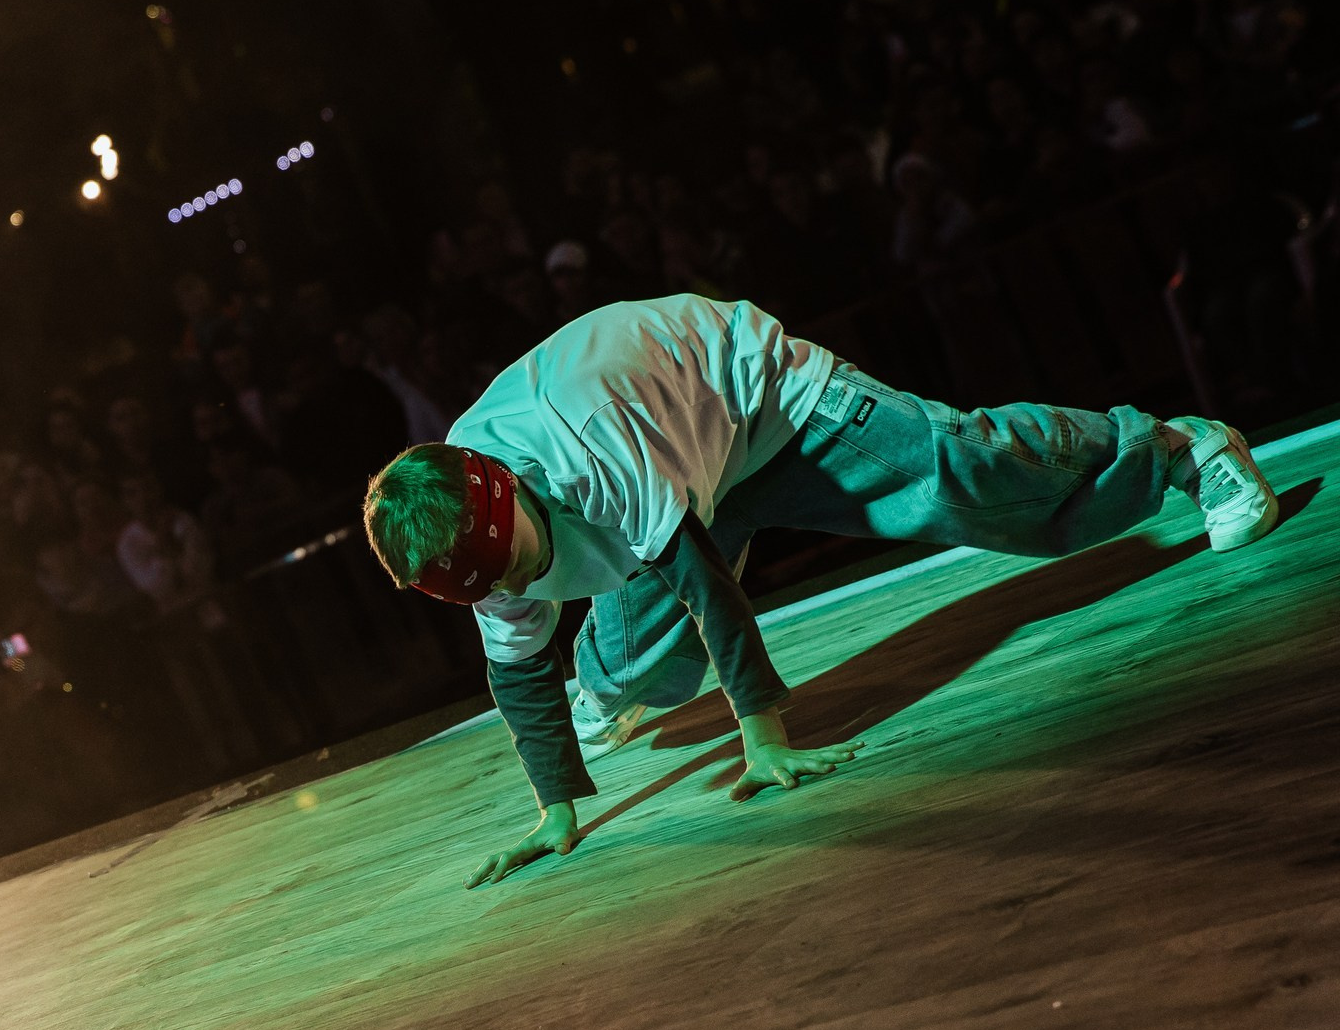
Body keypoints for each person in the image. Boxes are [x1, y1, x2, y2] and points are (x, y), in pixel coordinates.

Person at [359, 294, 1279, 888]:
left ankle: (1180, 451)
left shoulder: (587, 440)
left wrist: (766, 740)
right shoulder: (462, 527)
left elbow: (707, 580)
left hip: (767, 404)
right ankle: (615, 673)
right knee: (636, 663)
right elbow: (517, 671)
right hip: (679, 469)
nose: (520, 587)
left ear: (502, 490)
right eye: (500, 584)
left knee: (967, 475)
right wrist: (556, 809)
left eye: (521, 563)